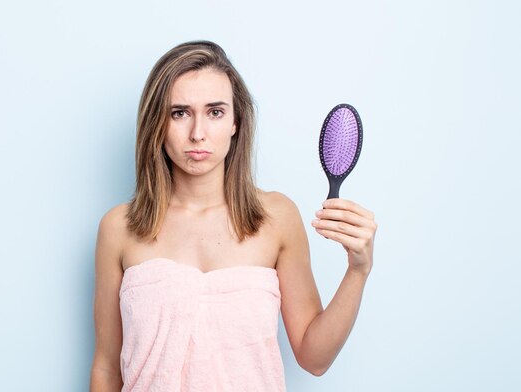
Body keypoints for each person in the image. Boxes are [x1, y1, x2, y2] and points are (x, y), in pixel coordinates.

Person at [89, 40, 377, 391]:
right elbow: (106, 369)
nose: (198, 133)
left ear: (235, 122)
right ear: (157, 123)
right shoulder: (118, 229)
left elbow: (314, 359)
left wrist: (358, 270)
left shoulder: (277, 218)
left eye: (215, 112)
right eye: (179, 112)